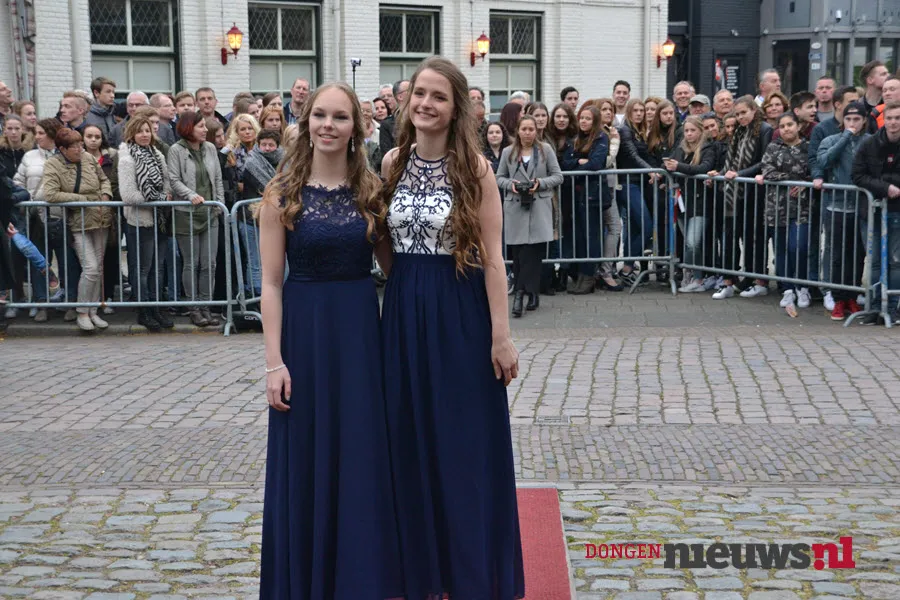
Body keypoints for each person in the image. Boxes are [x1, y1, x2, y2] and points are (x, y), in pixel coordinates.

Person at [380, 56, 524, 598]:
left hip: (459, 310)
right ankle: (422, 571)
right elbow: (385, 243)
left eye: (438, 96)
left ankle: (469, 573)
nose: (426, 104)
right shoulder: (392, 161)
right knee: (411, 438)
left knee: (461, 442)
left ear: (456, 106)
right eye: (420, 93)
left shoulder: (476, 169)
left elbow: (493, 258)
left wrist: (500, 336)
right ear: (407, 101)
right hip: (403, 309)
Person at [257, 81, 403, 599]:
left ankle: (360, 580)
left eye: (340, 117)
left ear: (356, 128)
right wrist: (274, 362)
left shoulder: (371, 192)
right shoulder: (281, 194)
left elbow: (398, 269)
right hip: (305, 338)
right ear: (306, 121)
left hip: (360, 338)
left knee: (361, 452)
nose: (328, 125)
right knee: (307, 455)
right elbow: (270, 284)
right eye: (320, 115)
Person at [42, 128, 114, 332]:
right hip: (78, 222)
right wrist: (84, 200)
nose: (79, 149)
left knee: (98, 268)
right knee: (90, 267)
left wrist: (106, 195)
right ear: (62, 149)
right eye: (74, 146)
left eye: (80, 144)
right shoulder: (53, 164)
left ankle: (93, 310)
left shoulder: (88, 158)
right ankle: (82, 311)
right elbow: (51, 194)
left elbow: (104, 180)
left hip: (101, 218)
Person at [496, 114, 563, 316]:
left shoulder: (545, 150)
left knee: (533, 253)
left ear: (536, 131)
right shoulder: (508, 152)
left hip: (539, 207)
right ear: (518, 131)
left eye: (531, 129)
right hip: (516, 207)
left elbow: (558, 176)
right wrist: (512, 185)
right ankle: (531, 293)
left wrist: (540, 183)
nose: (527, 133)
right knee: (519, 254)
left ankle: (520, 294)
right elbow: (499, 177)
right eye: (524, 129)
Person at [167, 111, 224, 327]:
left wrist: (219, 204)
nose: (205, 129)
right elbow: (173, 179)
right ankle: (194, 308)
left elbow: (217, 178)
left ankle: (206, 306)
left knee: (209, 263)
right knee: (192, 263)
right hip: (186, 213)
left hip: (209, 212)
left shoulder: (210, 148)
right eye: (201, 126)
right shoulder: (176, 150)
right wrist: (190, 195)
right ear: (189, 128)